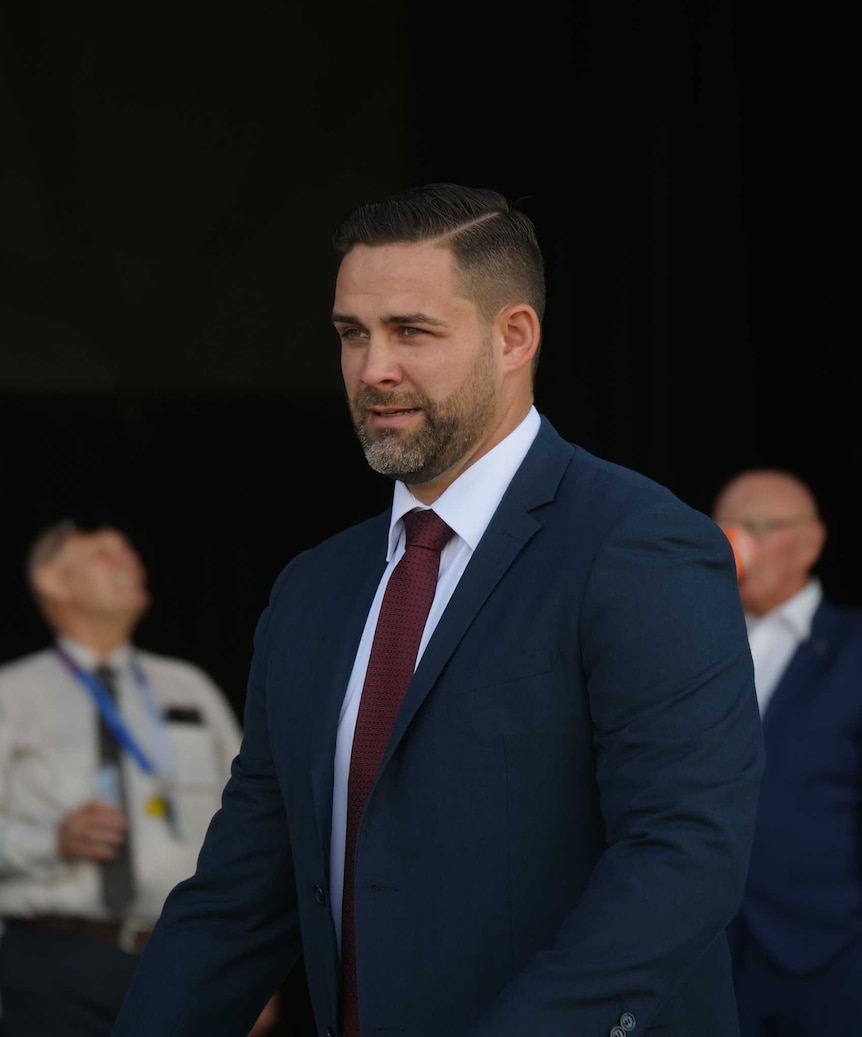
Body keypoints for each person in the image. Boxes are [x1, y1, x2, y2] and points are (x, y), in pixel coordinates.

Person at [112, 181, 764, 1037]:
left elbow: (683, 859)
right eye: (353, 333)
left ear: (514, 336)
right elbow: (243, 891)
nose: (373, 367)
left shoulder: (640, 548)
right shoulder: (313, 588)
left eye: (411, 331)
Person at [0, 520, 282, 1037]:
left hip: (179, 961)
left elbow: (254, 821)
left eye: (132, 550)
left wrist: (253, 967)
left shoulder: (189, 687)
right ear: (54, 581)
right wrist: (52, 840)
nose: (131, 560)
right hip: (51, 966)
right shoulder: (13, 694)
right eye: (106, 554)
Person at [712, 468, 862, 1037]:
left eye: (759, 526)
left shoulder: (851, 650)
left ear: (811, 541)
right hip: (709, 951)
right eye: (723, 525)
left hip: (827, 954)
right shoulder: (691, 641)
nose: (736, 541)